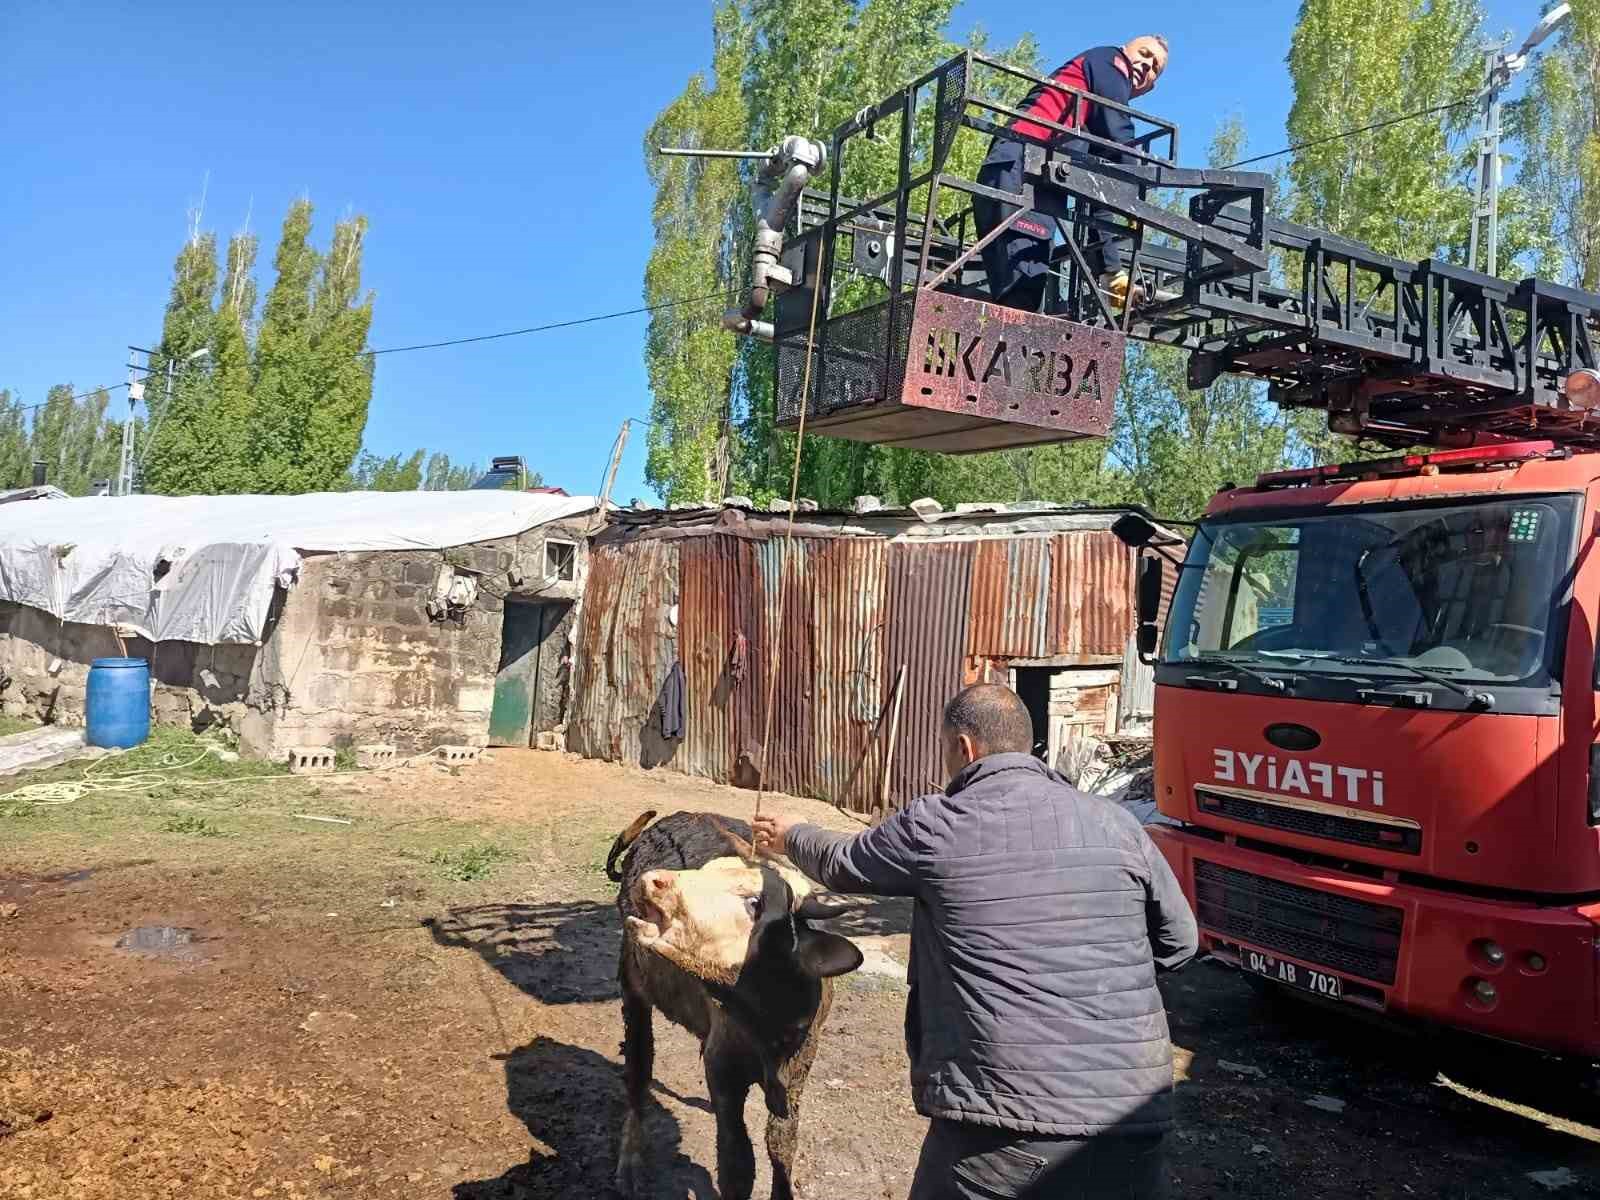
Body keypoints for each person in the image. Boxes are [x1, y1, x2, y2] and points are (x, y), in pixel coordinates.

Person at [753, 683, 1197, 1200]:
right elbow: (1179, 943)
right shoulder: (1117, 823)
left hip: (1002, 1126)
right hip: (1135, 1118)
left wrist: (792, 834)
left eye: (946, 751)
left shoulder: (938, 824)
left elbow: (846, 862)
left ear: (964, 748)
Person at [972, 36, 1169, 314]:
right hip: (1024, 170)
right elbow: (1120, 135)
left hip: (1012, 172)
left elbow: (1100, 196)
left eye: (1155, 68)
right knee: (1023, 293)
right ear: (1126, 51)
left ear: (1149, 87)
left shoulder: (1088, 120)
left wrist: (1112, 271)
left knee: (1015, 296)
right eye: (1144, 54)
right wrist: (1138, 191)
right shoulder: (1110, 62)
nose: (1147, 64)